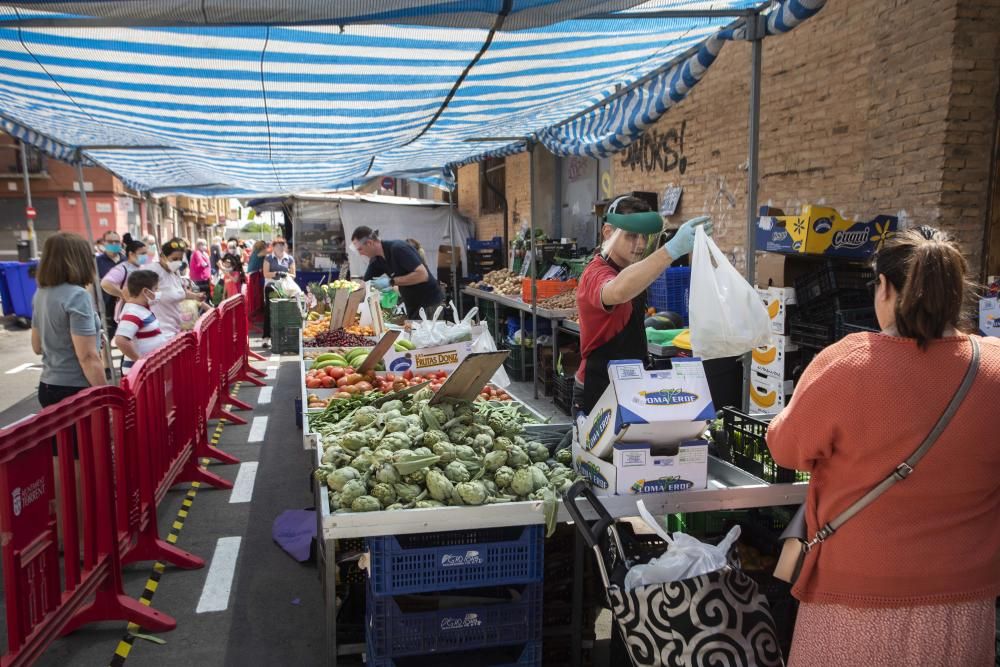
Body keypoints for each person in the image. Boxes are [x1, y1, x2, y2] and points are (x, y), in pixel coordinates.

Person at [766, 228, 1000, 666]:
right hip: (963, 604)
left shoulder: (850, 361)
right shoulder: (995, 366)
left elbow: (785, 448)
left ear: (886, 288)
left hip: (855, 599)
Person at [572, 196, 711, 413]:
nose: (640, 244)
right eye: (631, 236)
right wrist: (671, 250)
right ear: (608, 233)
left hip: (631, 384)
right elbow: (617, 291)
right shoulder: (596, 273)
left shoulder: (630, 268)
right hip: (598, 388)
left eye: (644, 237)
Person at [31, 232, 107, 407]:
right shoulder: (77, 296)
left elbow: (37, 347)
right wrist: (105, 395)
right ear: (80, 260)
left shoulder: (40, 293)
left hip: (47, 385)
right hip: (76, 389)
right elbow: (87, 357)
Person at [351, 226, 443, 319]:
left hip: (429, 304)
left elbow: (422, 275)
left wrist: (391, 282)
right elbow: (364, 283)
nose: (360, 253)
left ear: (369, 243)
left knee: (429, 333)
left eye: (360, 249)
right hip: (412, 305)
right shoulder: (377, 260)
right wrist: (350, 299)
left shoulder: (398, 248)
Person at [147, 237, 205, 339]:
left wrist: (196, 296)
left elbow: (180, 292)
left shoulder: (175, 272)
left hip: (175, 328)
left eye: (180, 259)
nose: (178, 262)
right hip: (159, 332)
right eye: (174, 259)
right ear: (162, 257)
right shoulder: (152, 270)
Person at [114, 270, 168, 375]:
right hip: (139, 373)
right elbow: (120, 340)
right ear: (146, 292)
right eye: (156, 289)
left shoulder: (141, 310)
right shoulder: (133, 313)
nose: (158, 292)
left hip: (146, 370)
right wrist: (140, 362)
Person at [100, 234, 148, 323]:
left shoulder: (142, 267)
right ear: (131, 254)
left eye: (146, 253)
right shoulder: (122, 268)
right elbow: (105, 283)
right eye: (142, 254)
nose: (145, 256)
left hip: (141, 311)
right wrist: (124, 295)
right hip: (127, 311)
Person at [261, 237, 295, 348]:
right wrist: (277, 273)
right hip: (271, 287)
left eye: (282, 245)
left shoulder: (289, 259)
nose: (280, 247)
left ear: (285, 247)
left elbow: (293, 274)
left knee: (284, 311)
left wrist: (286, 275)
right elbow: (266, 274)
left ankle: (283, 337)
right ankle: (266, 338)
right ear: (273, 247)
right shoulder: (268, 258)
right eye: (277, 245)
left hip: (285, 287)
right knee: (269, 311)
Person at [95, 230, 126, 339]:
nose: (114, 244)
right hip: (105, 307)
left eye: (117, 242)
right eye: (110, 241)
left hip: (124, 307)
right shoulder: (96, 262)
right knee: (106, 340)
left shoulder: (126, 260)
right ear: (104, 243)